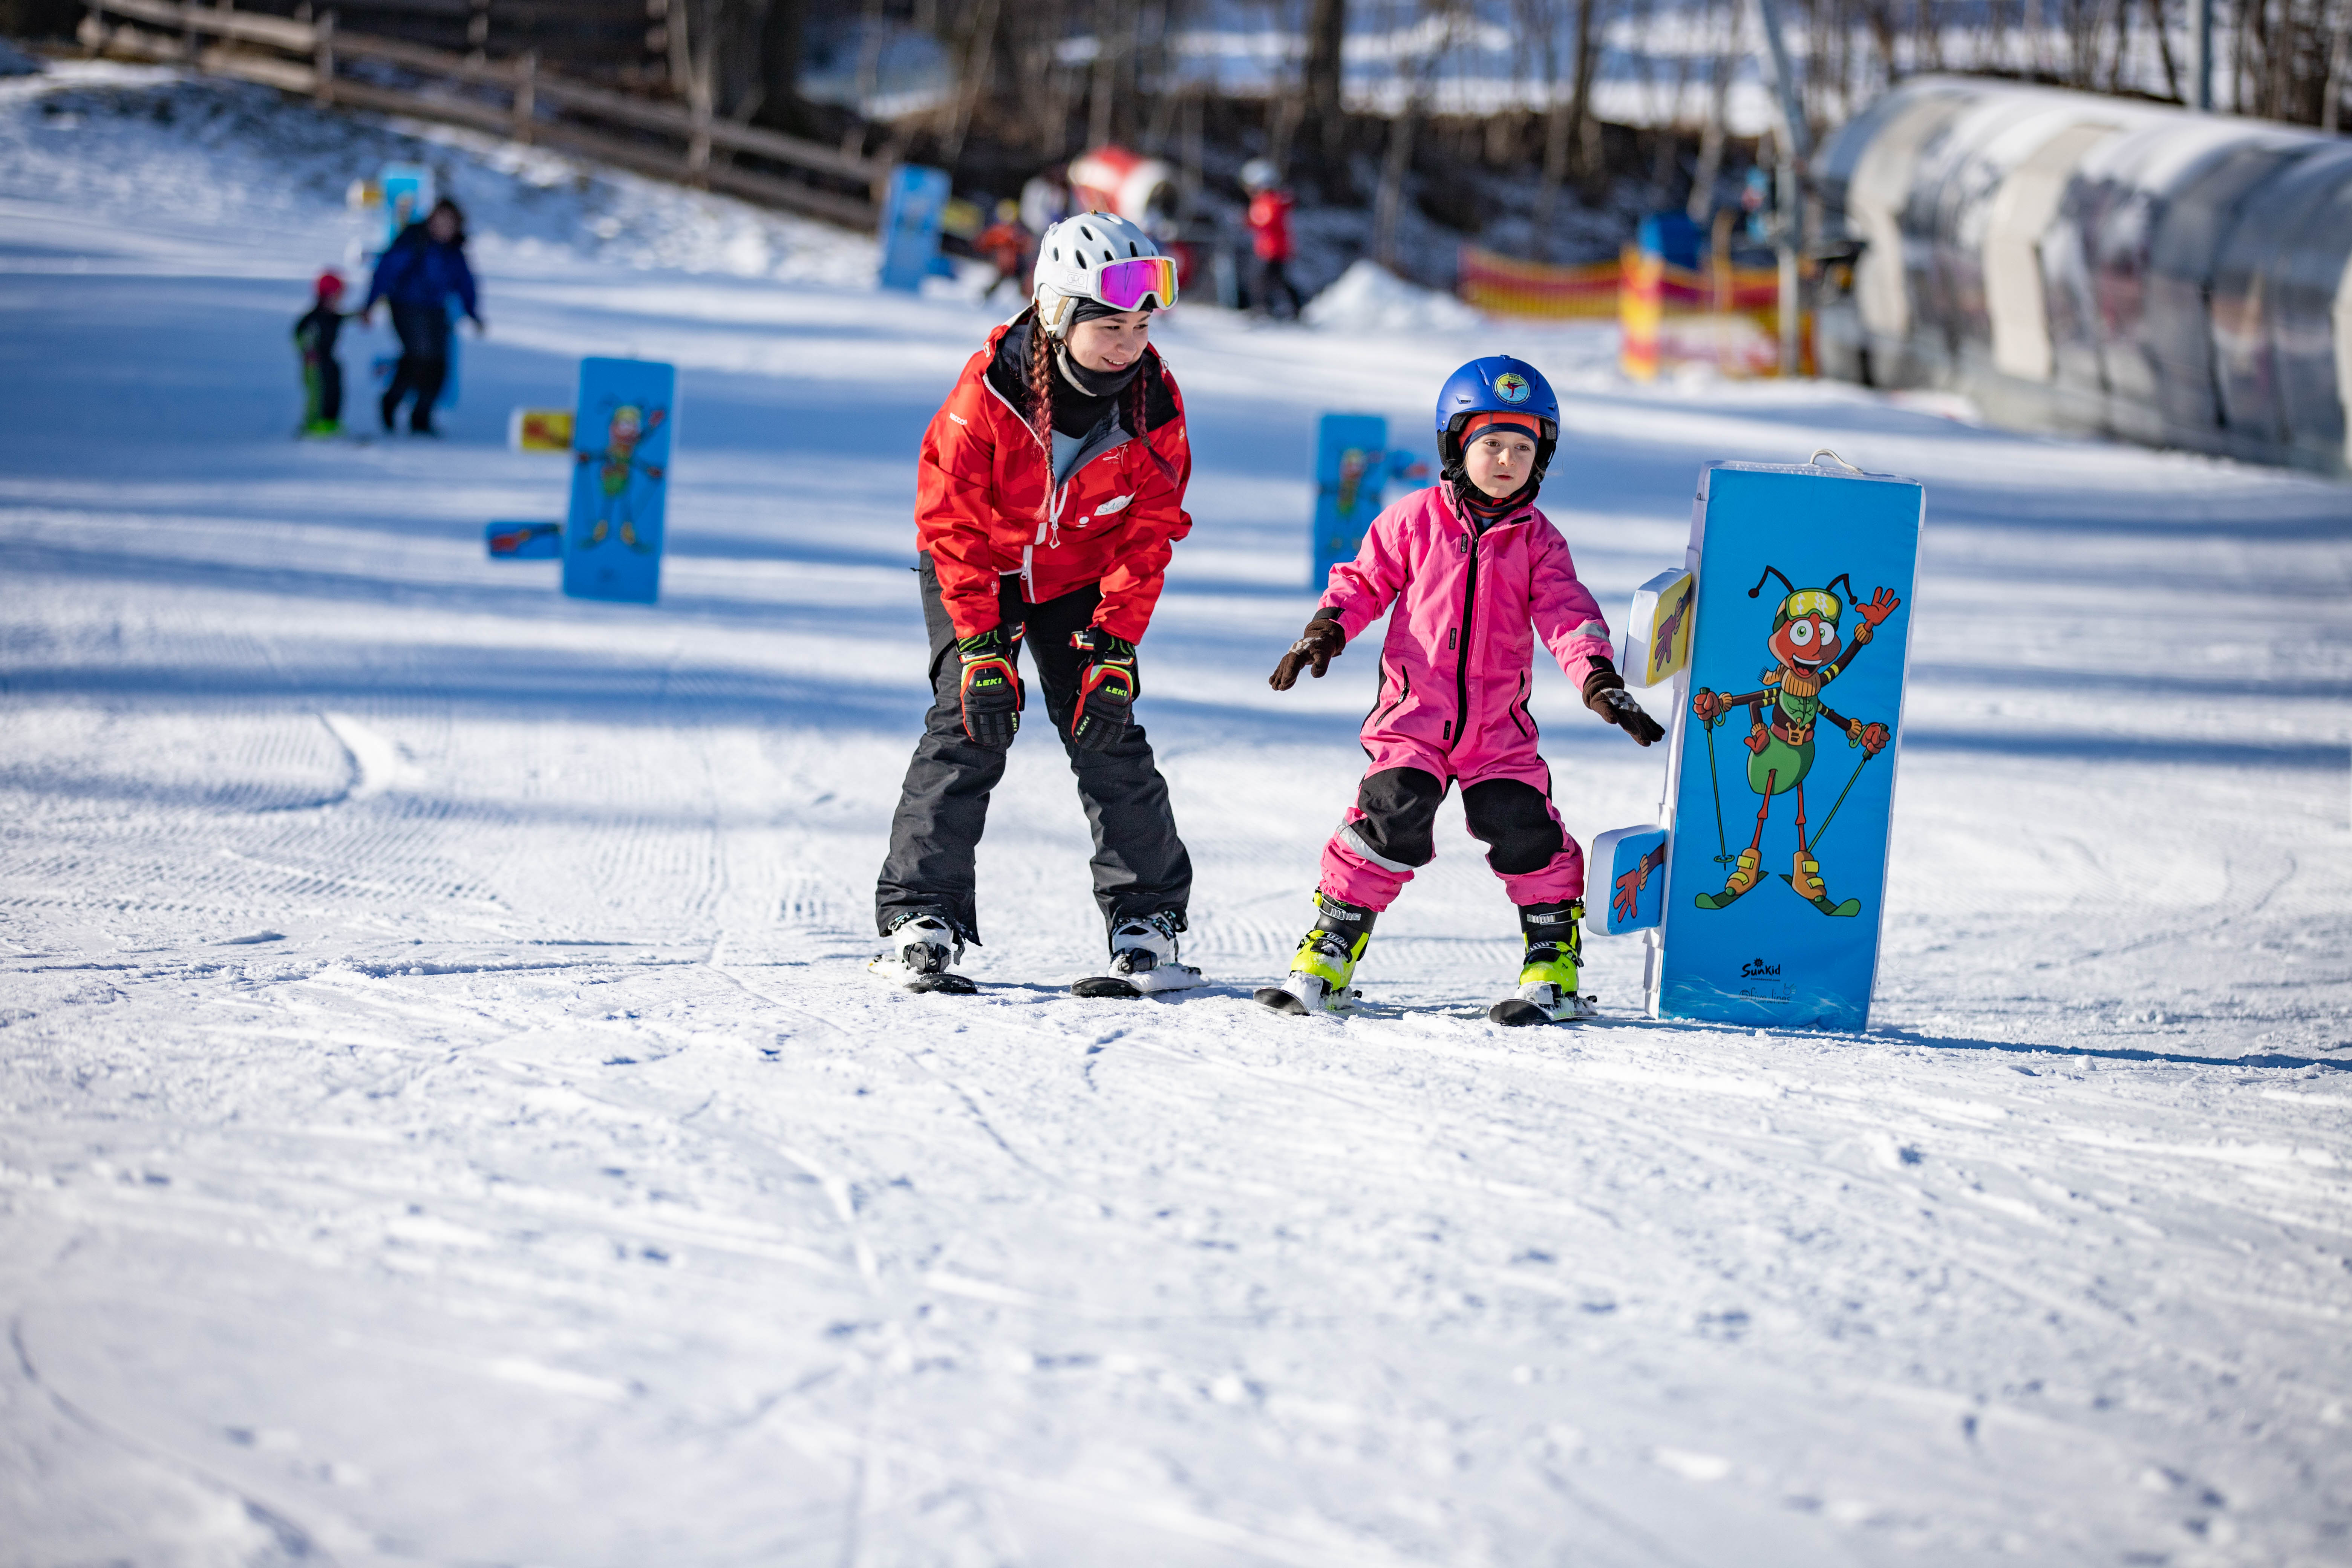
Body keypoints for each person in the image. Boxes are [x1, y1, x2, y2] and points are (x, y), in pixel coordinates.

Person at [1257, 355, 1666, 1025]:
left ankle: (1551, 962)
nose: (1507, 460)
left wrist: (1598, 678)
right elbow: (1362, 583)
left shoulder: (1540, 543)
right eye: (1491, 445)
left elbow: (1567, 613)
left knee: (1522, 826)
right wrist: (1325, 631)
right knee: (1389, 817)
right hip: (1413, 721)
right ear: (1457, 446)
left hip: (1497, 734)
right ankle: (1331, 947)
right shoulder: (1412, 520)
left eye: (1524, 448)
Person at [874, 210, 1199, 997]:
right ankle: (924, 915)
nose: (1130, 343)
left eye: (1142, 323)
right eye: (1110, 325)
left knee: (1105, 728)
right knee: (970, 718)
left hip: (1080, 575)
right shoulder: (986, 395)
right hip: (975, 565)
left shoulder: (1154, 404)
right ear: (1058, 313)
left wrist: (1116, 649)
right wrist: (983, 648)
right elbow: (949, 523)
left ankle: (1147, 918)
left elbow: (1150, 533)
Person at [361, 197, 483, 436]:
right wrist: (370, 304)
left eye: (451, 223)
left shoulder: (454, 251)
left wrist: (473, 313)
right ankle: (390, 404)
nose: (446, 228)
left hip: (436, 309)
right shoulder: (413, 240)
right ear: (432, 220)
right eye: (442, 221)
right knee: (420, 355)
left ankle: (422, 417)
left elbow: (466, 283)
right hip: (405, 305)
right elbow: (386, 270)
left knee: (439, 363)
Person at [1239, 158, 1302, 320]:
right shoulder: (1264, 201)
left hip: (1273, 250)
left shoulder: (1270, 200)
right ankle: (1289, 310)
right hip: (1268, 249)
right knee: (1275, 281)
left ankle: (1264, 310)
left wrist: (1250, 220)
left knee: (1262, 280)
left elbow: (1266, 220)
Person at [293, 270, 348, 437]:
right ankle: (313, 423)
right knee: (318, 393)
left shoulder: (333, 317)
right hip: (315, 364)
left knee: (334, 390)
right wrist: (308, 351)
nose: (339, 301)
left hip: (330, 360)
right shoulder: (313, 318)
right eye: (336, 296)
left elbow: (347, 317)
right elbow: (300, 335)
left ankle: (330, 421)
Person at [974, 199, 1034, 303]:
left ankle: (1031, 303)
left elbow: (1028, 246)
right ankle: (985, 296)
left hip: (1017, 265)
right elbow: (984, 241)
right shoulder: (999, 231)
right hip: (1005, 266)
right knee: (998, 281)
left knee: (1024, 285)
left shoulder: (1019, 231)